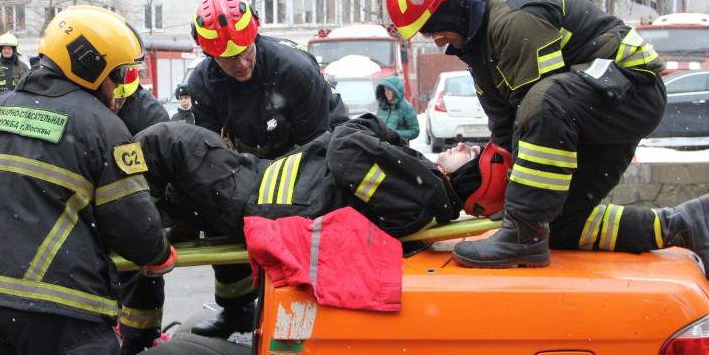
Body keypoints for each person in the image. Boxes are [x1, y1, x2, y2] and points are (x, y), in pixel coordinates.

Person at [385, 0, 709, 279]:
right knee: (558, 223)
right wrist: (508, 192)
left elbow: (536, 111)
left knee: (543, 103)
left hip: (631, 91)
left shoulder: (513, 20)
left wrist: (518, 217)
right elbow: (505, 129)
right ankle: (681, 224)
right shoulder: (479, 49)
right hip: (596, 105)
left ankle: (522, 237)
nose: (438, 41)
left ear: (450, 12)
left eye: (432, 32)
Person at [0, 6, 177, 355]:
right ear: (91, 69)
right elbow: (136, 229)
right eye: (121, 76)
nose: (124, 91)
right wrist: (160, 255)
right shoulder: (102, 127)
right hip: (62, 311)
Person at [187, 0, 347, 338]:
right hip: (255, 151)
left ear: (255, 34)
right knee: (222, 210)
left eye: (246, 51)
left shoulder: (294, 69)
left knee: (303, 220)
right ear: (209, 54)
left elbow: (316, 150)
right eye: (229, 59)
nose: (241, 64)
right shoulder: (202, 83)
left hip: (316, 143)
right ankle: (236, 310)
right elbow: (209, 151)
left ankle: (310, 309)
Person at [135, 116, 499, 247]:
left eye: (471, 153)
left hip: (254, 197)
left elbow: (344, 149)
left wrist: (379, 130)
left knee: (170, 140)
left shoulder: (419, 190)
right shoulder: (422, 186)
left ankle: (113, 207)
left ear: (464, 178)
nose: (464, 144)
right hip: (258, 190)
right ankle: (129, 220)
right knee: (172, 191)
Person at [109, 66, 172, 355]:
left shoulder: (150, 117)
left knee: (141, 272)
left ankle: (139, 342)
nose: (115, 106)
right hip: (103, 208)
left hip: (139, 206)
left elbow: (156, 179)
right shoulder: (91, 104)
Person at [0, 32, 29, 98]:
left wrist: (17, 96)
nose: (6, 51)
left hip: (17, 102)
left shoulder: (23, 67)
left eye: (9, 48)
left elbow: (28, 85)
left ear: (13, 50)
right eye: (4, 48)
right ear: (0, 50)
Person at [375, 75, 419, 141]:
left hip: (399, 148)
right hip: (382, 147)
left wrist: (395, 134)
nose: (386, 92)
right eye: (385, 89)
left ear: (396, 91)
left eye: (390, 90)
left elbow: (415, 131)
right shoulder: (382, 106)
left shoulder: (406, 108)